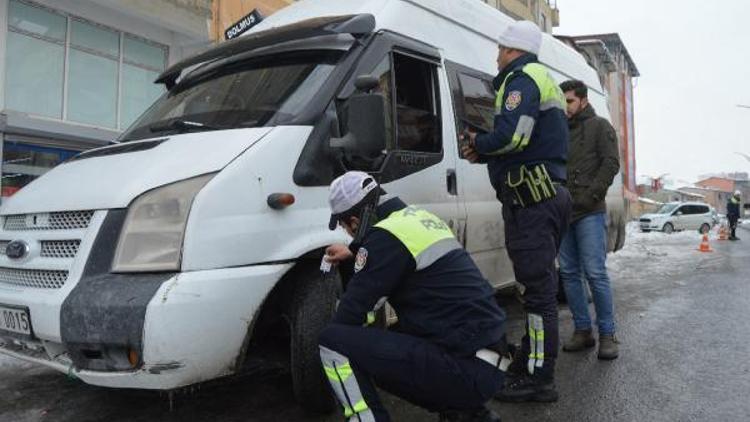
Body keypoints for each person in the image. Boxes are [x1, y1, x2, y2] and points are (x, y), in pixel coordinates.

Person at [319, 171, 508, 422]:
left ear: (354, 221)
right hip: (490, 360)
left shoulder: (382, 241)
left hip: (464, 373)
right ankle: (470, 413)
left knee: (333, 341)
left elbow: (349, 319)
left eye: (345, 227)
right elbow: (393, 250)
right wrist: (356, 251)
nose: (348, 233)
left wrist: (361, 262)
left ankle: (461, 404)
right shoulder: (416, 218)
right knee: (402, 331)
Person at [461, 21, 571, 403]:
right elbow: (527, 142)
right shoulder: (543, 78)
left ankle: (540, 378)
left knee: (538, 295)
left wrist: (480, 142)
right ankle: (532, 360)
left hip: (532, 201)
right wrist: (487, 153)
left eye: (500, 48)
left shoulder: (521, 78)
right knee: (536, 289)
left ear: (512, 50)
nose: (496, 55)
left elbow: (513, 137)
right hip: (545, 195)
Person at [557, 79, 621, 360]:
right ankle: (583, 331)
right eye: (563, 101)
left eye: (569, 101)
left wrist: (590, 195)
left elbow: (611, 163)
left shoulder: (600, 127)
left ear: (582, 100)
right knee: (569, 274)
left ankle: (607, 333)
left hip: (589, 212)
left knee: (595, 273)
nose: (566, 106)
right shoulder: (558, 129)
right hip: (563, 211)